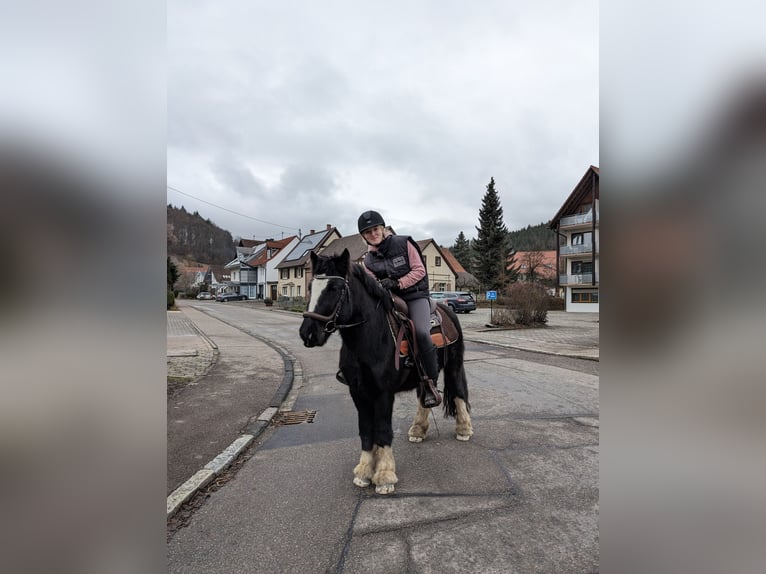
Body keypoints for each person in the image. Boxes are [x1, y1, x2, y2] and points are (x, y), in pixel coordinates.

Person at [357, 210, 441, 408]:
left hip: (415, 296)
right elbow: (372, 283)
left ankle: (431, 382)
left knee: (420, 332)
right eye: (367, 232)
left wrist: (397, 283)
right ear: (364, 236)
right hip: (390, 298)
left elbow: (419, 271)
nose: (373, 234)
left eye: (375, 229)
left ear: (383, 228)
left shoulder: (404, 243)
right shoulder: (368, 260)